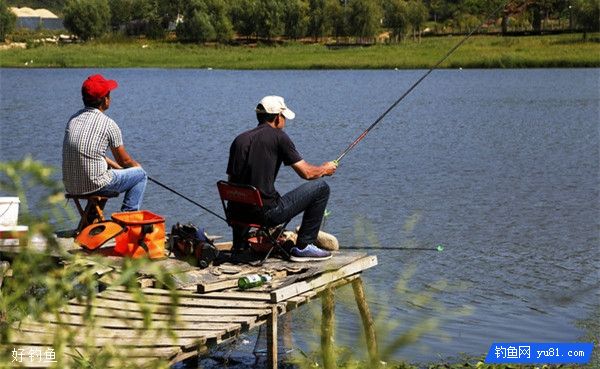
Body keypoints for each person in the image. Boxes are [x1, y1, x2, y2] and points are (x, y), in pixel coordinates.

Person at [227, 95, 337, 262]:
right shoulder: (279, 137)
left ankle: (239, 245)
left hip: (237, 214)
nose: (285, 121)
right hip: (267, 215)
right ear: (278, 117)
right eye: (284, 116)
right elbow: (307, 173)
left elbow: (232, 183)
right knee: (321, 188)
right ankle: (304, 246)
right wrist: (325, 169)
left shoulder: (239, 139)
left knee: (242, 194)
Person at [62, 74, 147, 212]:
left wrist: (116, 167)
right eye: (109, 95)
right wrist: (137, 167)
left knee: (102, 175)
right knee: (141, 176)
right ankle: (128, 218)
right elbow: (125, 160)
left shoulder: (73, 119)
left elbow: (91, 154)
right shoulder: (108, 124)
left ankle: (89, 222)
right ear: (105, 100)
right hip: (95, 184)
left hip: (72, 185)